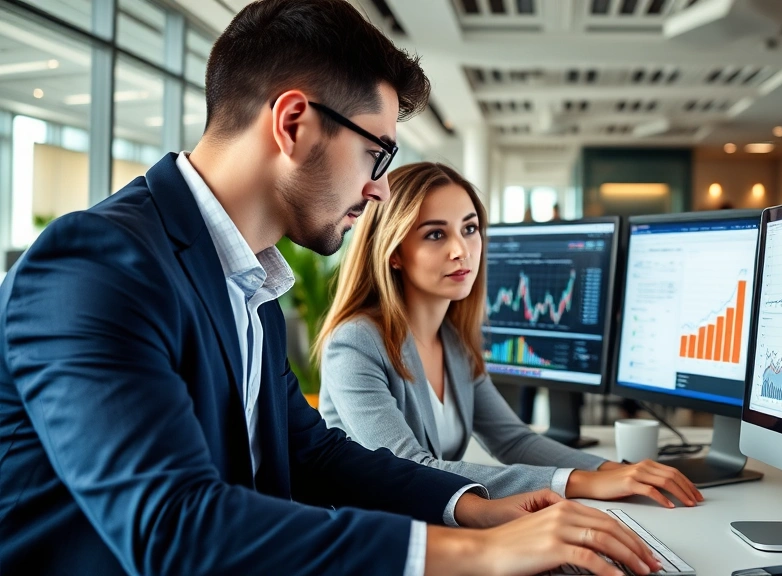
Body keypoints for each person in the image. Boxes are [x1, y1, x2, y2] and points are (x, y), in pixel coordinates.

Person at [0, 2, 663, 576]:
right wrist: (479, 553)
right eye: (377, 153)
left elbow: (310, 453)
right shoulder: (97, 265)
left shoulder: (249, 280)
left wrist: (473, 508)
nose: (379, 189)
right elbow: (172, 527)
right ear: (294, 123)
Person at [317, 162, 704, 507]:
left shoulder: (453, 341)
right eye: (435, 234)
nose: (461, 250)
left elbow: (513, 440)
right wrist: (580, 482)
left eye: (469, 229)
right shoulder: (355, 343)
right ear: (394, 252)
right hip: (370, 540)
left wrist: (613, 471)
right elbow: (410, 468)